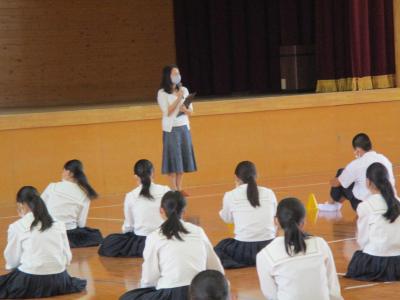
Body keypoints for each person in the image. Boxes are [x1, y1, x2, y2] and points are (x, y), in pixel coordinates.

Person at [120, 191, 224, 300]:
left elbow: (149, 279)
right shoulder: (198, 231)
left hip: (169, 293)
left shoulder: (154, 236)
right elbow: (216, 268)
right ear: (184, 211)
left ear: (161, 211)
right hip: (198, 293)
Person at [0, 186, 86, 298]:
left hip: (31, 279)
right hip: (60, 279)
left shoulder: (17, 226)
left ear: (21, 205)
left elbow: (12, 260)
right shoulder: (59, 223)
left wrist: (15, 269)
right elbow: (67, 256)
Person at [256, 197, 343, 300]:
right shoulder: (320, 244)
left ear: (276, 221)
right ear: (303, 223)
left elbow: (271, 295)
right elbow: (333, 289)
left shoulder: (265, 255)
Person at [99, 159, 170, 257]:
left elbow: (129, 225)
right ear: (153, 173)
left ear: (135, 177)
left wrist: (126, 233)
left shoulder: (131, 195)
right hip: (165, 238)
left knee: (109, 242)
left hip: (142, 241)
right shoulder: (166, 190)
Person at [215, 161, 277, 268]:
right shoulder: (269, 192)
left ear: (236, 177)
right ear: (256, 176)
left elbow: (227, 219)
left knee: (220, 247)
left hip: (244, 250)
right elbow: (275, 216)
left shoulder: (230, 195)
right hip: (269, 247)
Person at [346, 162, 400, 281]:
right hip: (398, 260)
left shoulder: (365, 206)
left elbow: (363, 240)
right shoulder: (398, 202)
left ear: (368, 182)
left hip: (377, 262)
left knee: (358, 257)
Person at [42, 159, 103, 248]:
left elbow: (39, 207)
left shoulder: (52, 186)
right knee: (95, 234)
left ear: (69, 173)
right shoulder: (85, 195)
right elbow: (81, 224)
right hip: (70, 234)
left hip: (49, 230)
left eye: (63, 171)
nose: (62, 174)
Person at [327, 133, 395, 211]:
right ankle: (334, 205)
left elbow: (337, 183)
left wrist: (330, 181)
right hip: (388, 200)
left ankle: (331, 205)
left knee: (341, 173)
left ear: (357, 150)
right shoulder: (385, 159)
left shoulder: (356, 164)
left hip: (365, 204)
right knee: (349, 180)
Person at [157, 64, 197, 195]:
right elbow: (167, 111)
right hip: (171, 129)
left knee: (183, 158)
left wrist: (186, 109)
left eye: (178, 73)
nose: (177, 76)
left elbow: (191, 111)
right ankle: (173, 188)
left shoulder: (184, 90)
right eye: (174, 74)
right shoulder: (162, 93)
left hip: (184, 127)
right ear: (168, 76)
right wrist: (179, 98)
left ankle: (180, 187)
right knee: (174, 159)